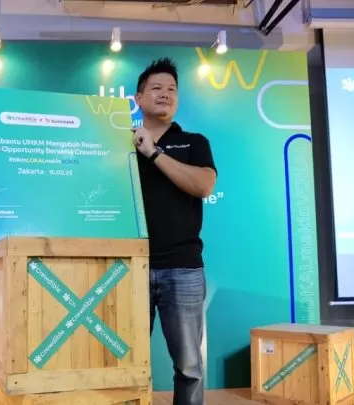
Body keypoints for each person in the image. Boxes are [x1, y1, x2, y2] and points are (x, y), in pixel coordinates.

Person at [132, 57, 217, 405]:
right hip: (129, 267)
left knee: (189, 366)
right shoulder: (120, 142)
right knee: (126, 361)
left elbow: (203, 185)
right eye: (156, 88)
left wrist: (154, 153)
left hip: (183, 268)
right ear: (138, 98)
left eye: (171, 89)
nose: (165, 94)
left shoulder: (193, 142)